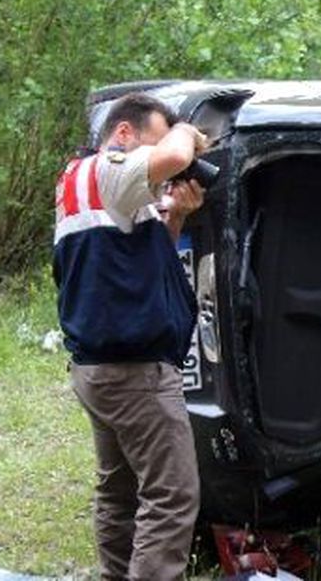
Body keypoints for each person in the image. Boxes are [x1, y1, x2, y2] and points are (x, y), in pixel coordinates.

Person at [52, 92, 209, 581]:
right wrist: (187, 133)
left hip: (99, 369)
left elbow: (139, 266)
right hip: (134, 372)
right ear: (123, 134)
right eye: (152, 143)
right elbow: (177, 155)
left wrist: (175, 216)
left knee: (118, 494)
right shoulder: (109, 170)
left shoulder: (87, 182)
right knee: (172, 495)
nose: (158, 162)